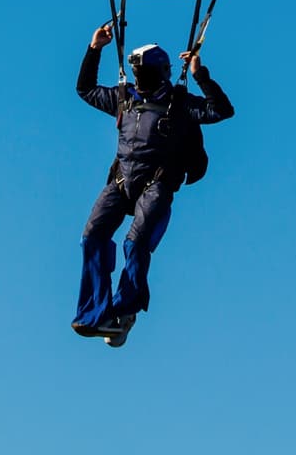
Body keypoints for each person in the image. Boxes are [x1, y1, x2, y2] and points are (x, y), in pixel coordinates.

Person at [71, 20, 234, 346]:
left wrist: (199, 74)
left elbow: (221, 110)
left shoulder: (180, 103)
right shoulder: (124, 98)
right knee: (92, 236)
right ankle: (96, 313)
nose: (139, 80)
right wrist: (94, 49)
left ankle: (125, 308)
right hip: (121, 181)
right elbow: (86, 89)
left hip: (155, 186)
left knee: (135, 243)